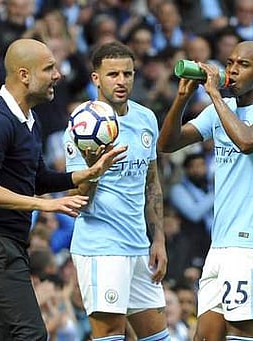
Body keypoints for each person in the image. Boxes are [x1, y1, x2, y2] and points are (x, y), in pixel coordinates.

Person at [0, 38, 127, 341]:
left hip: (8, 244)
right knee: (31, 333)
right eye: (49, 68)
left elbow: (38, 178)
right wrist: (46, 205)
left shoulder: (29, 119)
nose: (58, 75)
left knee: (4, 335)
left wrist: (84, 174)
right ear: (24, 75)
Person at [158, 40, 253, 340]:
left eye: (243, 65)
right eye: (230, 62)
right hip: (221, 243)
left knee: (239, 337)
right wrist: (182, 99)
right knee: (204, 337)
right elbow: (167, 144)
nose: (232, 70)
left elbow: (245, 141)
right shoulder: (222, 109)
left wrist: (214, 93)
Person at [64, 41, 170, 340]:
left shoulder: (145, 117)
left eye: (128, 74)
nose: (121, 81)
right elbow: (77, 201)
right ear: (96, 78)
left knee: (157, 336)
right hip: (102, 247)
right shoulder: (82, 125)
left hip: (139, 246)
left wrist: (158, 239)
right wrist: (94, 168)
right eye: (113, 75)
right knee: (110, 335)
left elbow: (151, 182)